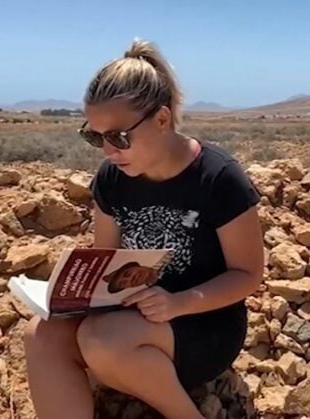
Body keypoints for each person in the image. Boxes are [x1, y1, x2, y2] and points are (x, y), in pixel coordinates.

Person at [23, 39, 264, 419]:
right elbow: (108, 261)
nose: (108, 151)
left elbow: (248, 275)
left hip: (204, 321)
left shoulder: (218, 177)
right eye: (95, 136)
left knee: (102, 341)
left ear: (162, 119)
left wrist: (178, 303)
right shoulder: (112, 179)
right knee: (40, 334)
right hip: (132, 314)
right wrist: (74, 296)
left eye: (119, 137)